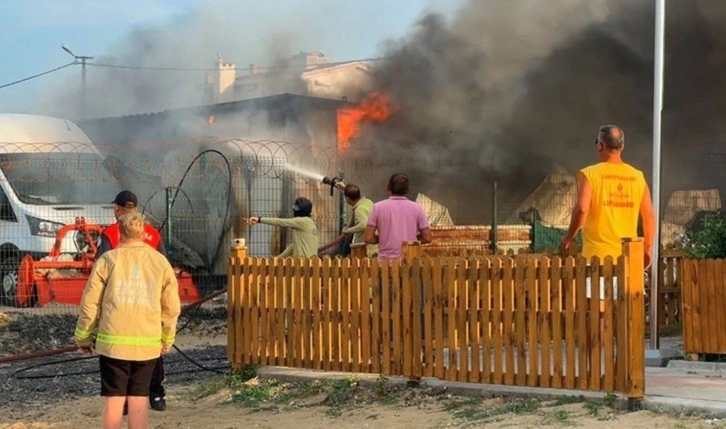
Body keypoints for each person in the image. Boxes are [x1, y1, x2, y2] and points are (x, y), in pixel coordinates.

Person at [75, 211, 181, 429]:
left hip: (113, 344)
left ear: (119, 232)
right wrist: (166, 339)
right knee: (138, 399)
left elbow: (90, 303)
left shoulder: (108, 260)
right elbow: (171, 308)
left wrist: (84, 337)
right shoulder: (160, 262)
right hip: (147, 345)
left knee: (114, 400)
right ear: (143, 232)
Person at [560, 125, 656, 311]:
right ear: (622, 147)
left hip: (597, 256)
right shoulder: (637, 177)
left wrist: (569, 238)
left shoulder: (590, 174)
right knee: (627, 315)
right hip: (628, 258)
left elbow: (581, 210)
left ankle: (600, 341)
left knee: (599, 315)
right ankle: (626, 342)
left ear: (600, 146)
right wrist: (647, 248)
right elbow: (649, 216)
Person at [98, 190, 169, 412]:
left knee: (119, 354)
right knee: (151, 351)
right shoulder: (153, 233)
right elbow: (164, 266)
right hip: (149, 302)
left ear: (117, 209)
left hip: (121, 301)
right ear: (136, 209)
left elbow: (100, 269)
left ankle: (125, 402)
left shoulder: (110, 233)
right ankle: (156, 395)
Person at [364, 173, 432, 259]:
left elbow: (368, 238)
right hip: (410, 263)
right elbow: (427, 238)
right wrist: (412, 240)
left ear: (388, 187)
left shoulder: (377, 207)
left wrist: (385, 239)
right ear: (408, 189)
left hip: (385, 263)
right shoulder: (417, 208)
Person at [318, 183, 378, 257]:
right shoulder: (368, 202)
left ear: (347, 198)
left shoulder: (359, 209)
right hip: (374, 245)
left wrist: (348, 230)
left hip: (365, 248)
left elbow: (363, 224)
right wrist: (345, 188)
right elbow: (353, 193)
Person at [247, 196, 319, 257]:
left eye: (296, 208)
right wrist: (279, 258)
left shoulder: (302, 221)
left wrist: (259, 219)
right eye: (294, 207)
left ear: (302, 210)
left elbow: (280, 222)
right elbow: (293, 246)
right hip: (309, 263)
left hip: (303, 264)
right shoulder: (308, 222)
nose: (294, 209)